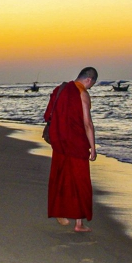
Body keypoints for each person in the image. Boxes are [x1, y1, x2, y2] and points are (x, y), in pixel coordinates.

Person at [43, 67, 98, 232]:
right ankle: (79, 224)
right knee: (80, 182)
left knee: (62, 177)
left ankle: (62, 212)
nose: (90, 88)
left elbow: (49, 114)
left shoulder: (60, 90)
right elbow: (87, 124)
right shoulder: (82, 94)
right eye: (92, 85)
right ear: (89, 80)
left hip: (60, 140)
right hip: (76, 143)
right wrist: (93, 148)